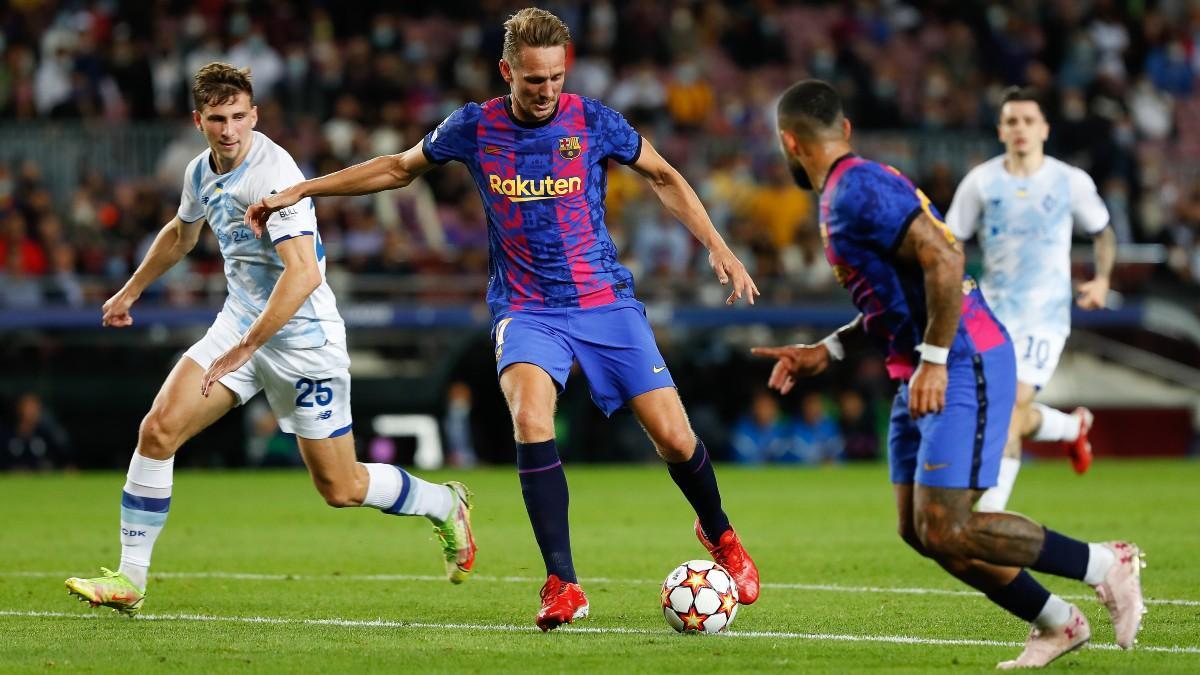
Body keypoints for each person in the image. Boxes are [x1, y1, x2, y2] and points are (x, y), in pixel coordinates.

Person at [247, 8, 761, 632]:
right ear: (506, 71)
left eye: (554, 78)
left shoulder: (593, 120)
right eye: (533, 80)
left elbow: (663, 175)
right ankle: (562, 583)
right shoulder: (473, 126)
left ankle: (723, 536)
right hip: (525, 307)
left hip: (604, 301)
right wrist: (305, 190)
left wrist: (717, 244)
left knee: (675, 440)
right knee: (530, 417)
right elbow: (398, 168)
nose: (546, 92)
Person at [753, 80, 1144, 668]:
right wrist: (828, 351)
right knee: (920, 529)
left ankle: (1104, 565)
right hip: (920, 366)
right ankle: (1059, 623)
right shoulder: (844, 191)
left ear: (789, 142)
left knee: (952, 524)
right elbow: (893, 300)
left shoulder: (858, 186)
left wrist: (935, 360)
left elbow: (946, 256)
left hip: (961, 360)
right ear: (845, 128)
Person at [64, 63, 476, 617]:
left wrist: (246, 348)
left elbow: (302, 274)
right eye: (217, 119)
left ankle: (444, 503)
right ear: (199, 120)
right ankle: (130, 579)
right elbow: (182, 234)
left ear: (254, 116)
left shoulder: (273, 174)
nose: (229, 130)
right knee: (158, 430)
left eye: (239, 117)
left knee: (341, 487)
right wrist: (130, 290)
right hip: (241, 324)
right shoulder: (199, 172)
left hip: (302, 339)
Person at [945, 86, 1115, 512]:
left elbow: (1103, 231)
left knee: (1007, 409)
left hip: (1045, 317)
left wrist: (1101, 280)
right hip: (990, 315)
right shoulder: (981, 182)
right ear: (1001, 130)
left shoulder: (1068, 181)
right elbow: (949, 241)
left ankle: (990, 516)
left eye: (1027, 121)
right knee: (997, 411)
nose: (1020, 129)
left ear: (1044, 129)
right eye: (1011, 121)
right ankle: (1069, 426)